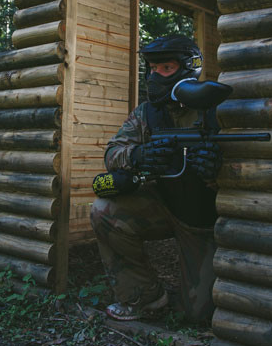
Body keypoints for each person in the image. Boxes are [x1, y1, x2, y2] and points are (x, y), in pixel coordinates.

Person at [89, 35, 222, 323]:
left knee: (201, 316)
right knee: (103, 211)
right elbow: (113, 151)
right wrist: (138, 156)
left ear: (187, 69)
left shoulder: (216, 111)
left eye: (165, 68)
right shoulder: (147, 113)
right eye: (152, 68)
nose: (155, 76)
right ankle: (145, 297)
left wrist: (219, 170)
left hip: (204, 220)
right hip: (164, 203)